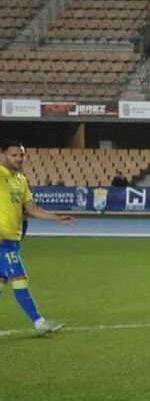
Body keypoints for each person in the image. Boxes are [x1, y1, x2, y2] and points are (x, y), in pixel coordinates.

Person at [0, 139, 77, 335]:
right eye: (14, 154)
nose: (19, 158)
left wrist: (56, 218)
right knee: (19, 278)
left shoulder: (21, 180)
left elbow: (32, 209)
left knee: (1, 281)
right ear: (3, 155)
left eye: (21, 155)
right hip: (3, 242)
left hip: (13, 240)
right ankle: (39, 322)